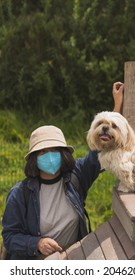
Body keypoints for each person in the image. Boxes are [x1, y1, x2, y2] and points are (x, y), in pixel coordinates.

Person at [2, 82, 124, 260]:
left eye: (54, 150)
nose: (49, 156)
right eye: (43, 152)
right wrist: (37, 243)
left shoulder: (77, 177)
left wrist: (117, 105)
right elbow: (10, 237)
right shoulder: (20, 194)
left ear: (63, 154)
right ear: (34, 158)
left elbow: (102, 145)